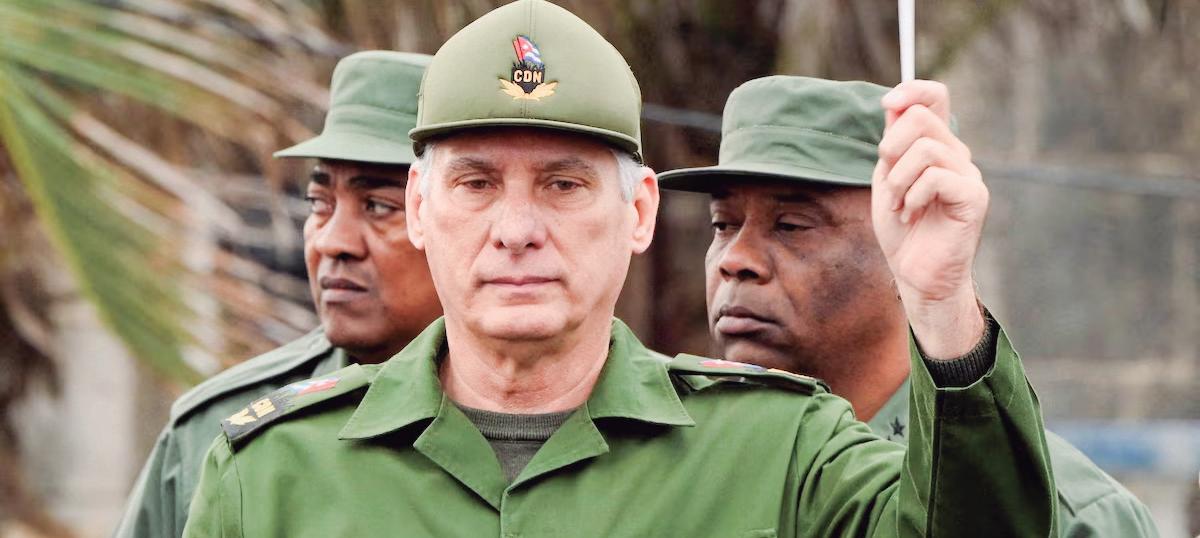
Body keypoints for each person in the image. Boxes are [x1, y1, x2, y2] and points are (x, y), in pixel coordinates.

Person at [183, 1, 1056, 536]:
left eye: (563, 185)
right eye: (476, 184)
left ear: (638, 212)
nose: (516, 230)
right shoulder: (273, 475)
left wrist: (941, 301)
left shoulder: (781, 453)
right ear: (419, 206)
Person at [658, 75, 1161, 536]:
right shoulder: (685, 473)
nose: (736, 259)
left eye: (791, 226)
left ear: (912, 236)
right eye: (723, 224)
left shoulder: (1067, 515)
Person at [113, 51, 442, 538]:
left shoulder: (536, 418)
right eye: (319, 203)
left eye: (377, 206)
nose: (332, 241)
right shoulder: (218, 432)